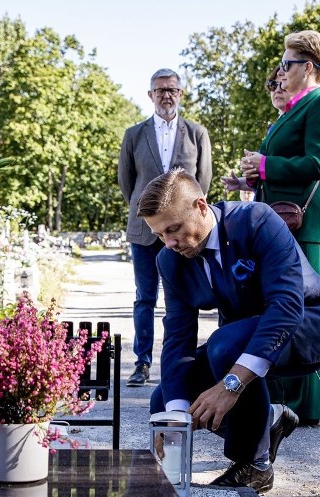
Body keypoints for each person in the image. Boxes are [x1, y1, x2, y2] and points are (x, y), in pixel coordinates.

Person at [138, 168, 320, 492]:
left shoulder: (256, 220)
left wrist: (230, 386)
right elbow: (178, 337)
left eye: (174, 229)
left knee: (223, 344)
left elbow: (287, 306)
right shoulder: (170, 260)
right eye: (160, 234)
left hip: (307, 325)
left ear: (201, 207)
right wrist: (175, 418)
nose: (169, 242)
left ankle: (254, 463)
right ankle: (270, 419)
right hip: (241, 340)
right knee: (164, 398)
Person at [238, 30, 320, 426]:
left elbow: (316, 163)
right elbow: (280, 166)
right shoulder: (291, 112)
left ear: (310, 67)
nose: (281, 71)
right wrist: (252, 176)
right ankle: (280, 398)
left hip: (301, 222)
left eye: (287, 64)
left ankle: (310, 406)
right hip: (276, 219)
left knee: (305, 309)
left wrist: (265, 166)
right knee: (277, 305)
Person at [118, 68, 212, 387]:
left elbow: (203, 182)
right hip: (144, 231)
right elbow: (126, 182)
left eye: (172, 89)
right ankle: (142, 363)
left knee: (183, 297)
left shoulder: (197, 133)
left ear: (180, 93)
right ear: (150, 95)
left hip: (184, 229)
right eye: (160, 91)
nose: (166, 95)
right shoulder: (134, 134)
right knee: (145, 297)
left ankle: (181, 363)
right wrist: (149, 214)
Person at [221, 66, 287, 199]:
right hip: (267, 208)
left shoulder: (305, 119)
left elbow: (316, 170)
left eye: (283, 85)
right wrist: (241, 182)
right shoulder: (273, 128)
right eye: (273, 85)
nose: (278, 90)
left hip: (289, 210)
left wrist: (263, 163)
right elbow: (266, 177)